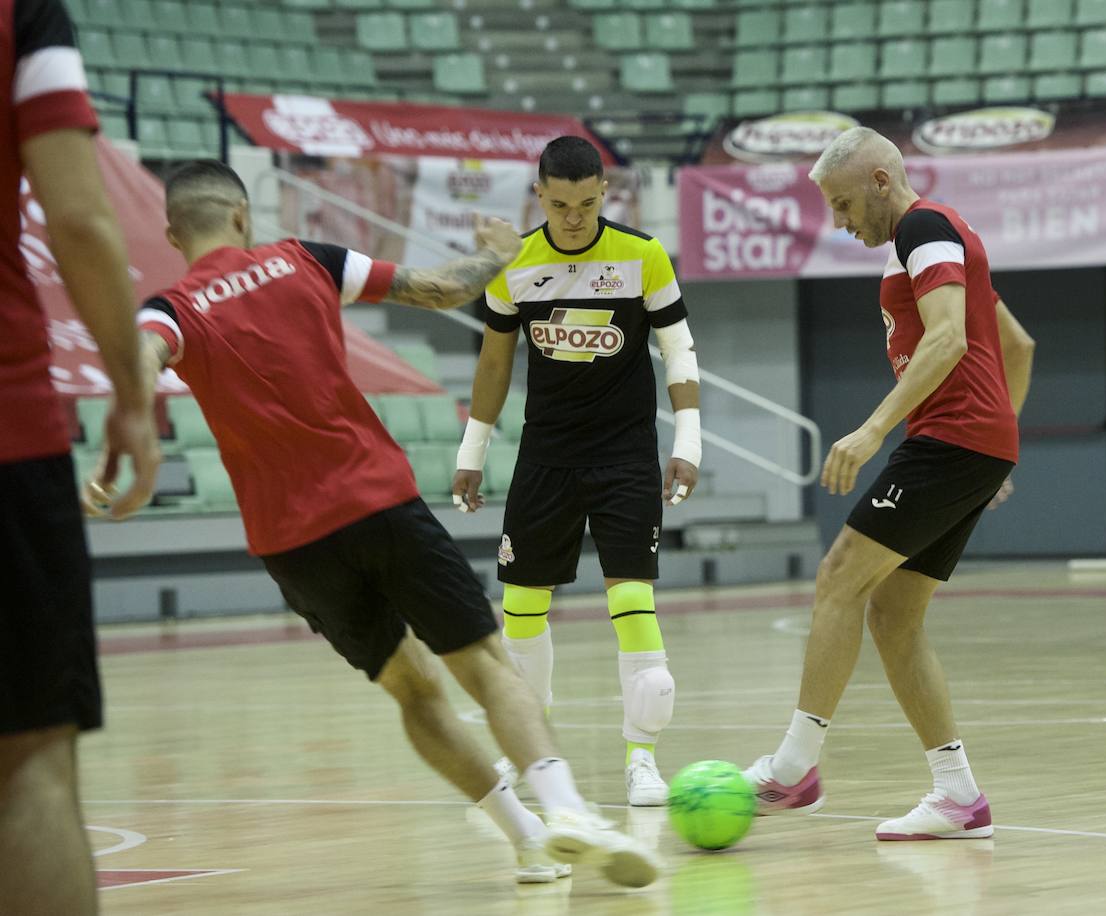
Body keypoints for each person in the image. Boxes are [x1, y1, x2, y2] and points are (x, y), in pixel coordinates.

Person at [117, 160, 658, 889]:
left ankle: (526, 841)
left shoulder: (171, 308)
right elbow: (440, 289)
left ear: (173, 232)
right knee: (487, 667)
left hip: (292, 544)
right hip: (376, 502)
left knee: (412, 689)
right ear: (243, 217)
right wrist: (499, 254)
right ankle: (565, 810)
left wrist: (135, 427)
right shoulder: (304, 258)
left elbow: (143, 353)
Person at [741, 127, 1035, 842]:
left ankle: (795, 768)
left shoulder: (923, 226)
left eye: (843, 204)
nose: (841, 222)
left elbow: (948, 339)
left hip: (949, 436)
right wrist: (998, 444)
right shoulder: (944, 236)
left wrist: (873, 430)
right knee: (892, 615)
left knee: (840, 576)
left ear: (880, 180)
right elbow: (1017, 345)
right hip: (973, 441)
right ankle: (958, 796)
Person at [453, 136, 702, 807]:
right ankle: (532, 755)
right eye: (560, 204)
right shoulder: (516, 265)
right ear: (539, 194)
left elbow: (678, 348)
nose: (573, 217)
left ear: (604, 194)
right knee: (522, 611)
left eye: (587, 204)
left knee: (631, 602)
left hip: (625, 455)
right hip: (546, 456)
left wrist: (691, 440)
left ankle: (642, 760)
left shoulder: (641, 255)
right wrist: (471, 452)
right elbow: (494, 363)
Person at [0, 1, 162, 912]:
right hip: (6, 433)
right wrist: (131, 397)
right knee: (28, 763)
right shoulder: (25, 14)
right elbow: (80, 219)